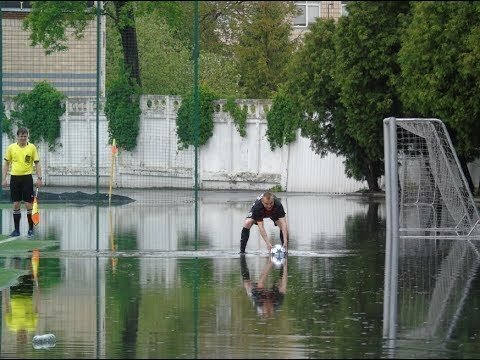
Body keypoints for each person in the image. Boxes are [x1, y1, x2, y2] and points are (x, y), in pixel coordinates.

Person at [2, 127, 43, 237]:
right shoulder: (11, 148)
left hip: (27, 179)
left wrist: (39, 178)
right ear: (17, 136)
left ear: (27, 136)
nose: (23, 138)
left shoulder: (32, 147)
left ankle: (30, 230)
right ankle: (16, 230)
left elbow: (37, 163)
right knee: (16, 204)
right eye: (21, 136)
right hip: (14, 178)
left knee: (29, 204)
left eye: (25, 136)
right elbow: (6, 164)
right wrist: (4, 178)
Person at [240, 254, 288, 318]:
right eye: (268, 306)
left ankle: (242, 261)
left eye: (266, 306)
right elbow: (284, 283)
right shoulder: (277, 302)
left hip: (254, 292)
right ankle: (282, 263)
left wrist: (269, 263)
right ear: (271, 307)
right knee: (281, 282)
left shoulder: (258, 300)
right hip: (270, 294)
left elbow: (261, 280)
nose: (267, 305)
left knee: (246, 283)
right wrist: (285, 266)